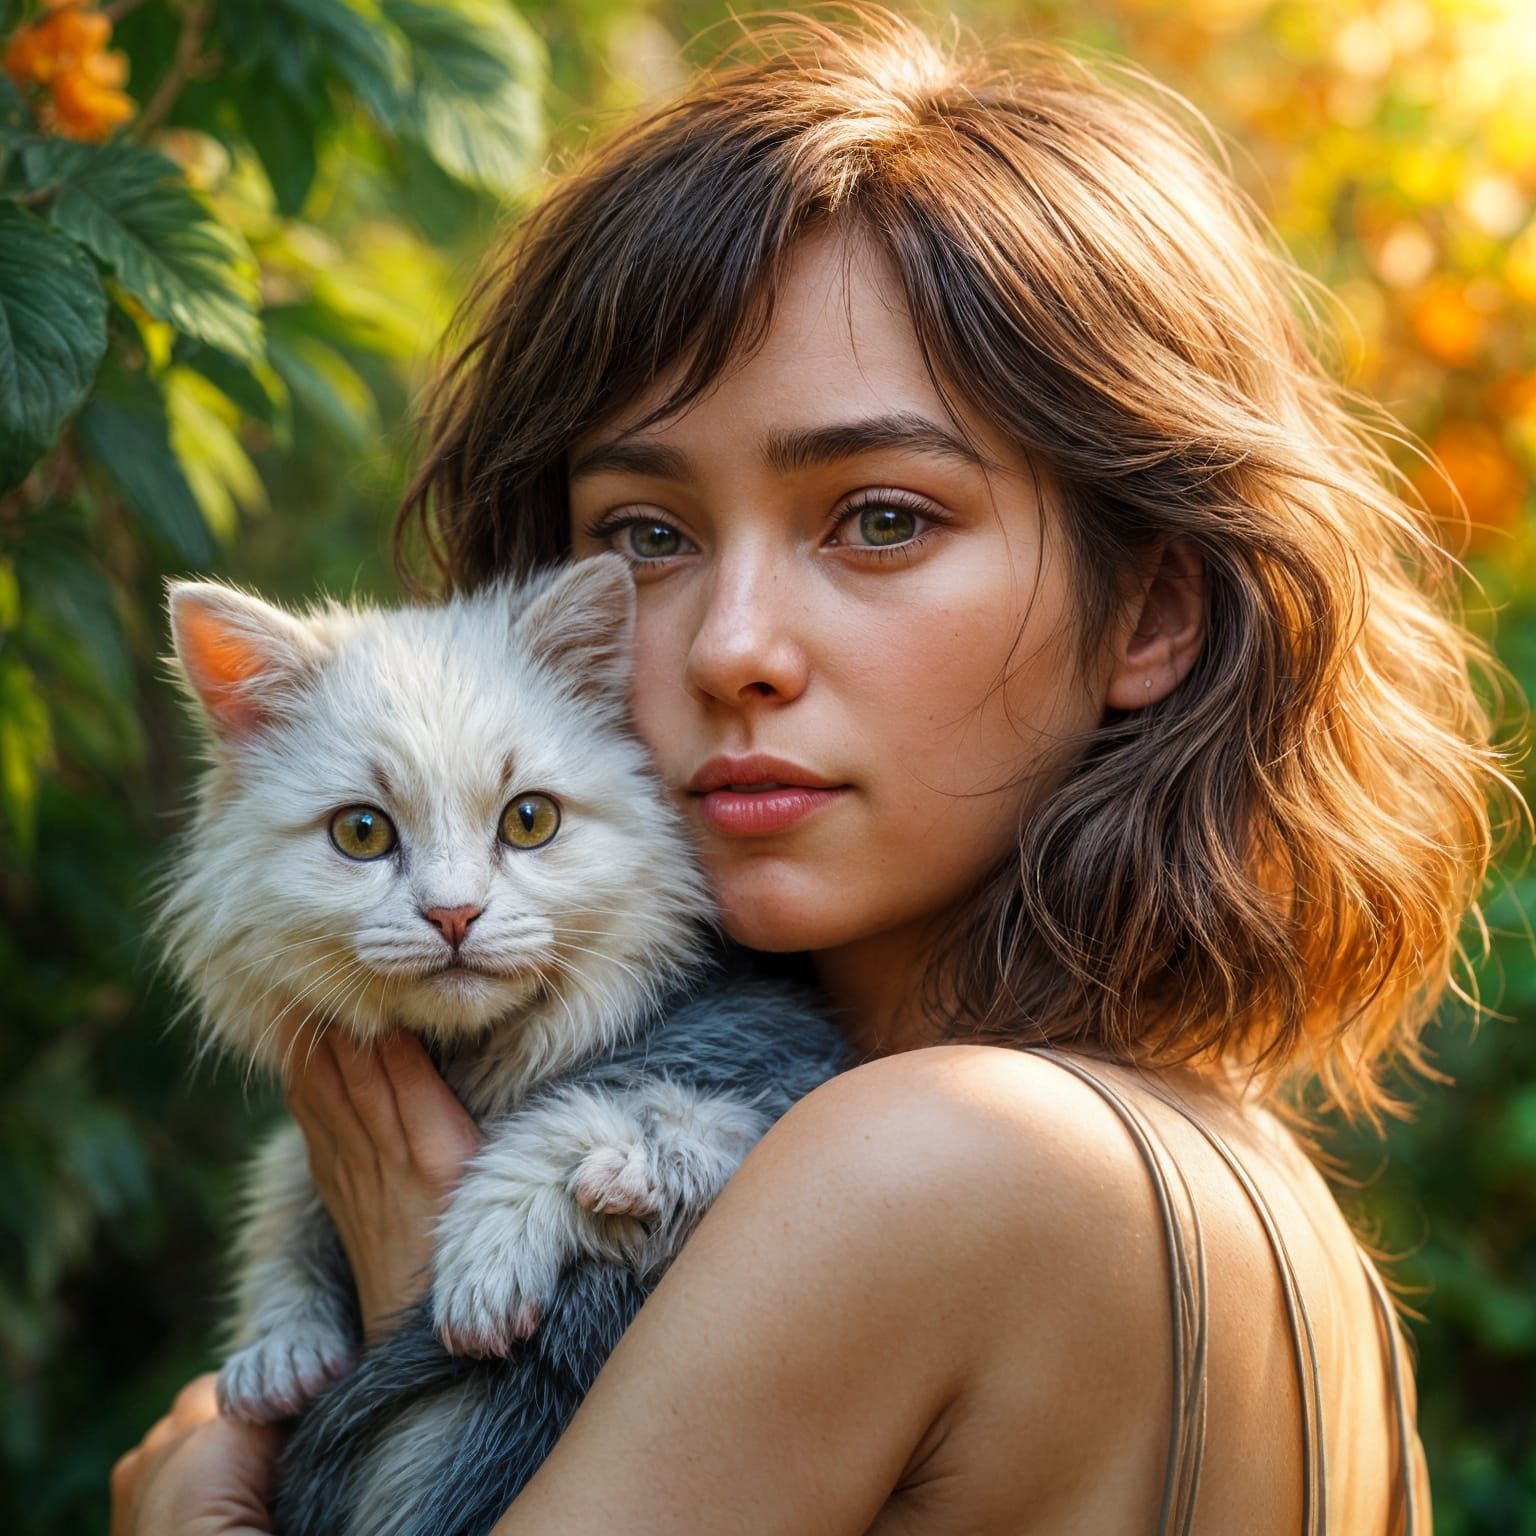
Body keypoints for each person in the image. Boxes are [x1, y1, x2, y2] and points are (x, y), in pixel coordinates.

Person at [112, 5, 1522, 1531]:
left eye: (883, 518)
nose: (731, 646)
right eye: (645, 536)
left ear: (1154, 611)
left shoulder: (927, 1159)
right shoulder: (1292, 1225)